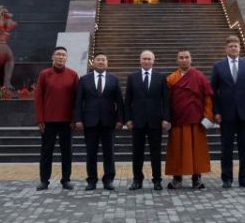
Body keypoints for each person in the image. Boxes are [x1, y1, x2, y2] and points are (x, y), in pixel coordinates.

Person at [211, 35, 245, 188]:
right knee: (226, 147)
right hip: (226, 114)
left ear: (239, 48)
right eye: (231, 46)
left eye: (236, 46)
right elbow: (213, 91)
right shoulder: (218, 66)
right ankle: (226, 178)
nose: (234, 48)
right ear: (226, 48)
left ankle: (244, 178)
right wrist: (216, 111)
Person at [73, 53, 124, 191]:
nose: (101, 62)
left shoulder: (114, 79)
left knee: (109, 152)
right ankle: (92, 180)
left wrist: (120, 119)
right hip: (90, 122)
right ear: (93, 63)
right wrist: (78, 119)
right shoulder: (84, 80)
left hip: (109, 122)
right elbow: (78, 102)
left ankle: (109, 179)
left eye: (103, 60)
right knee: (91, 153)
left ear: (107, 62)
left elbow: (119, 101)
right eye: (98, 60)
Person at [165, 49, 214, 190]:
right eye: (181, 57)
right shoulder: (171, 78)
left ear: (191, 59)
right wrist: (166, 119)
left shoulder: (199, 76)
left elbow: (207, 98)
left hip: (196, 120)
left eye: (186, 57)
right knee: (177, 150)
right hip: (177, 121)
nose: (184, 60)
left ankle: (196, 178)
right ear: (177, 60)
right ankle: (176, 178)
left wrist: (208, 116)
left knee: (196, 149)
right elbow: (166, 101)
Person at [124, 50, 171, 191]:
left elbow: (166, 101)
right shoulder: (132, 77)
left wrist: (165, 118)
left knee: (155, 153)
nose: (146, 61)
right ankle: (137, 180)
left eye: (149, 59)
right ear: (140, 60)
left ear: (153, 61)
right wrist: (128, 119)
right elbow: (127, 101)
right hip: (137, 121)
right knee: (137, 152)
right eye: (144, 58)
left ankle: (157, 180)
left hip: (155, 121)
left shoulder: (161, 77)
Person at [34, 46, 79, 191]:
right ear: (52, 57)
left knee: (67, 152)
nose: (60, 57)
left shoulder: (73, 75)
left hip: (67, 121)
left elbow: (77, 99)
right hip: (48, 121)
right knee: (46, 151)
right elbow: (38, 98)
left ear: (66, 58)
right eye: (58, 55)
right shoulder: (44, 74)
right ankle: (44, 180)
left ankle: (66, 180)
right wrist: (40, 119)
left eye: (63, 55)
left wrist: (75, 118)